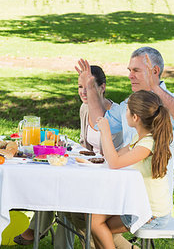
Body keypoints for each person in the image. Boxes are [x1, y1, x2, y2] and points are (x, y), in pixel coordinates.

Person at [15, 66, 130, 249]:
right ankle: (49, 238)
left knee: (63, 192)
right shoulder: (85, 108)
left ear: (102, 87)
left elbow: (111, 156)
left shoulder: (115, 115)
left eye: (89, 86)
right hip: (89, 169)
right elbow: (85, 145)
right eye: (80, 87)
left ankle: (38, 230)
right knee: (57, 183)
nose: (83, 92)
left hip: (107, 175)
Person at [76, 47, 174, 200]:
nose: (130, 76)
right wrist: (91, 86)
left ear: (154, 71)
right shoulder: (130, 103)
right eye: (129, 70)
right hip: (127, 190)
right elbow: (100, 121)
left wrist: (155, 87)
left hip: (151, 199)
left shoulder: (168, 102)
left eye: (136, 70)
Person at [91, 90, 173, 248]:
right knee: (95, 220)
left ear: (135, 117)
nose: (125, 113)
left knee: (98, 225)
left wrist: (106, 131)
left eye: (127, 110)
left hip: (151, 213)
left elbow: (114, 163)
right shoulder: (139, 139)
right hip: (138, 203)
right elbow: (114, 157)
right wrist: (104, 134)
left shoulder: (147, 144)